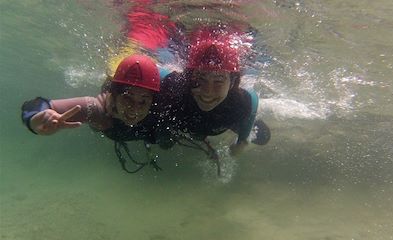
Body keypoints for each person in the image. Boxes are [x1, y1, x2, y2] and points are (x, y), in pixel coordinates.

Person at [21, 54, 174, 172]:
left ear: (152, 100)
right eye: (127, 99)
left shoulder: (161, 104)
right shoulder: (98, 110)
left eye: (143, 101)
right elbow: (33, 106)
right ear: (113, 95)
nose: (134, 109)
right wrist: (37, 119)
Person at [161, 34, 271, 156]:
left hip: (221, 120)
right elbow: (157, 73)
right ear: (187, 77)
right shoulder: (175, 87)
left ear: (232, 82)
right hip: (193, 125)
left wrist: (242, 141)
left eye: (218, 81)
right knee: (164, 143)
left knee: (263, 136)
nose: (208, 92)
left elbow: (253, 98)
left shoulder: (239, 103)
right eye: (200, 78)